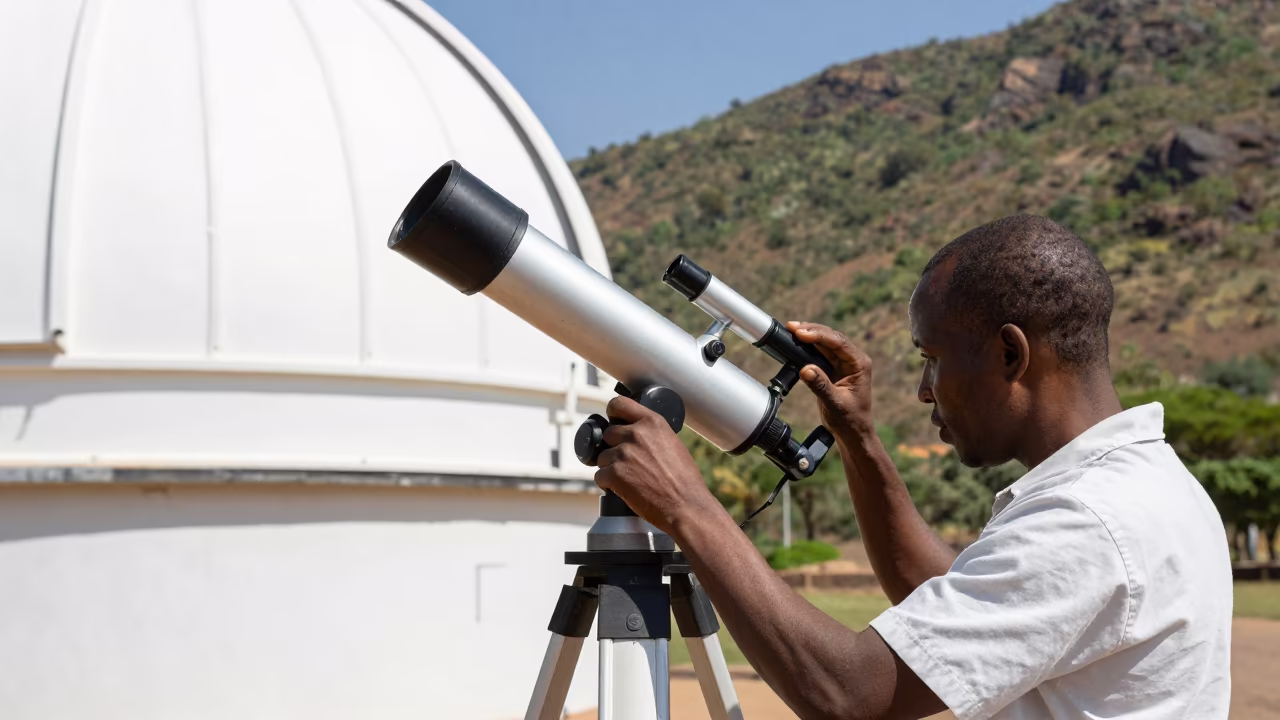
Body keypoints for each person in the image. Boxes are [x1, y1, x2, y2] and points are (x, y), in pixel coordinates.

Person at [593, 215, 1232, 719]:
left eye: (933, 358)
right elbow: (940, 598)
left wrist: (686, 507)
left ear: (1011, 355)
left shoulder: (1087, 522)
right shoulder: (1142, 483)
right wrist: (857, 436)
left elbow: (850, 696)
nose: (925, 390)